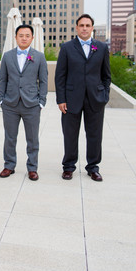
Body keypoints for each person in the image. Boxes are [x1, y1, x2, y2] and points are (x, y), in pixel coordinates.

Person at [55, 14, 111, 182]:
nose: (85, 28)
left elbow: (106, 75)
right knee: (70, 134)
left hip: (95, 99)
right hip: (71, 98)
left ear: (92, 28)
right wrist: (61, 99)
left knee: (95, 134)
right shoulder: (66, 48)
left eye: (87, 25)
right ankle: (69, 167)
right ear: (77, 28)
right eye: (81, 25)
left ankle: (93, 167)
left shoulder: (101, 47)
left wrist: (104, 94)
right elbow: (60, 76)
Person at [0, 25, 48, 181]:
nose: (24, 38)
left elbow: (44, 81)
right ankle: (9, 165)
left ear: (32, 38)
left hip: (32, 104)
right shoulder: (7, 56)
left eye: (27, 35)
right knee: (10, 138)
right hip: (10, 104)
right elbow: (3, 79)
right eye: (21, 35)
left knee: (32, 139)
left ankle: (32, 168)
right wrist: (1, 100)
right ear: (16, 37)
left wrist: (41, 102)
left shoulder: (39, 56)